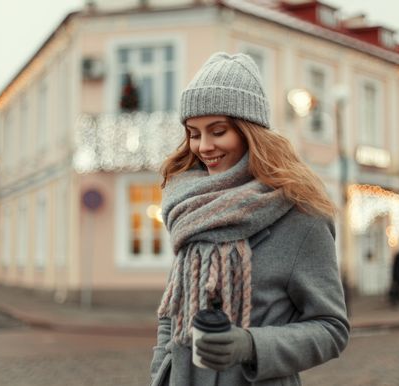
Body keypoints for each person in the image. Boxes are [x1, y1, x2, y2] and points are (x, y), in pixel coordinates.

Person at [149, 52, 349, 386]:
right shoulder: (191, 209)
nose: (203, 146)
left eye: (218, 131)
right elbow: (171, 312)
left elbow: (331, 328)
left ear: (248, 132)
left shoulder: (302, 217)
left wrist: (252, 345)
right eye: (194, 133)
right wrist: (161, 374)